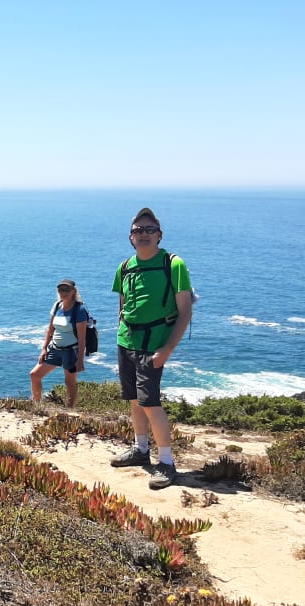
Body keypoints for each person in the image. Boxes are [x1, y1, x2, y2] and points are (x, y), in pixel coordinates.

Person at [110, 207, 194, 490]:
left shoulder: (174, 264)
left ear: (159, 235)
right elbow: (122, 305)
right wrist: (121, 333)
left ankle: (167, 463)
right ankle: (141, 449)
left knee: (150, 403)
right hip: (127, 341)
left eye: (150, 229)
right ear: (130, 237)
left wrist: (168, 348)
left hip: (154, 345)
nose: (144, 234)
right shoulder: (124, 267)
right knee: (134, 400)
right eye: (138, 230)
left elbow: (185, 312)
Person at [29, 279, 88, 406]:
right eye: (61, 290)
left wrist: (80, 360)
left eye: (67, 290)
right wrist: (44, 349)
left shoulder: (79, 309)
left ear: (73, 291)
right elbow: (50, 329)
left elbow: (82, 338)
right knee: (34, 375)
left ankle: (70, 409)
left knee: (70, 382)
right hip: (54, 349)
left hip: (70, 351)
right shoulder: (57, 306)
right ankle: (36, 406)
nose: (63, 293)